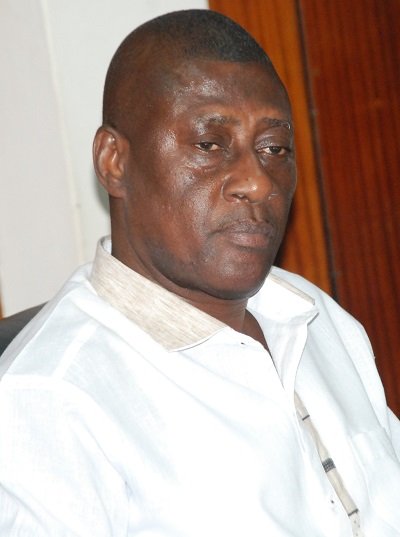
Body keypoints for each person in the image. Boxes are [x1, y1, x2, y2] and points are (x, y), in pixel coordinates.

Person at [0, 9, 399, 537]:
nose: (258, 182)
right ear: (114, 161)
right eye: (210, 145)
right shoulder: (51, 401)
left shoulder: (313, 314)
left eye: (274, 149)